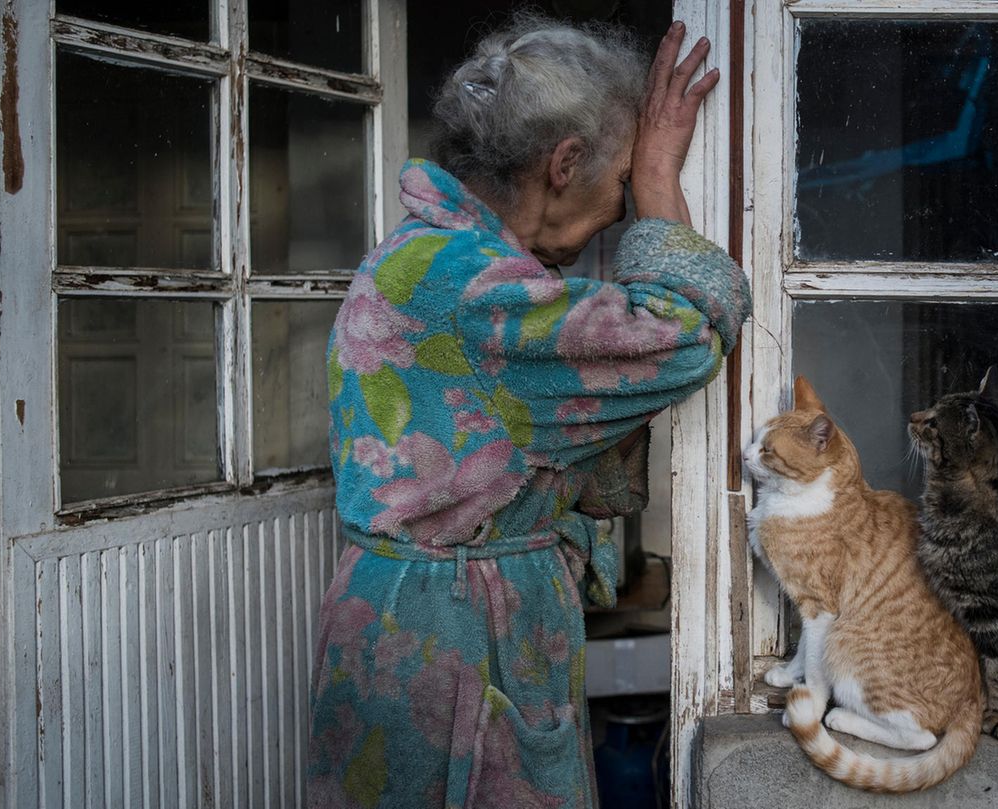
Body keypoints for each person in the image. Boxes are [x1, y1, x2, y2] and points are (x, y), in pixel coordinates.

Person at [305, 15, 750, 809]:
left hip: (404, 625)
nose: (617, 217)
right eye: (616, 189)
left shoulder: (418, 257)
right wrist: (659, 180)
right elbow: (685, 333)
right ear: (564, 162)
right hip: (454, 643)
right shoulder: (480, 293)